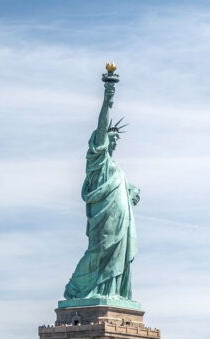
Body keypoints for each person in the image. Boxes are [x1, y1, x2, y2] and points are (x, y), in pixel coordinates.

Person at [63, 68, 139, 303]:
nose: (113, 140)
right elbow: (102, 126)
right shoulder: (98, 161)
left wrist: (131, 192)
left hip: (120, 219)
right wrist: (108, 98)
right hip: (104, 217)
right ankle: (78, 288)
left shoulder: (116, 169)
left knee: (117, 254)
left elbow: (123, 190)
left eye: (114, 138)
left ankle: (112, 292)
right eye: (109, 137)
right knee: (100, 249)